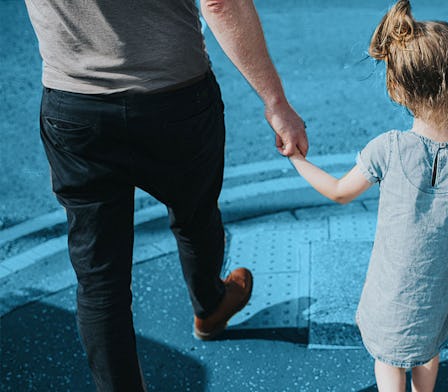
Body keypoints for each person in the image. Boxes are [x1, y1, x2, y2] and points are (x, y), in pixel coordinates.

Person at [23, 0, 307, 390]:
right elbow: (220, 4)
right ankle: (209, 306)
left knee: (100, 278)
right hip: (175, 98)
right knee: (196, 215)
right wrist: (276, 104)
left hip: (76, 106)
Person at [288, 1, 448, 391]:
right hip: (437, 290)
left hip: (391, 296)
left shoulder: (388, 148)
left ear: (397, 88)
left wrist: (298, 161)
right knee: (428, 351)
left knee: (388, 360)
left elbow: (338, 192)